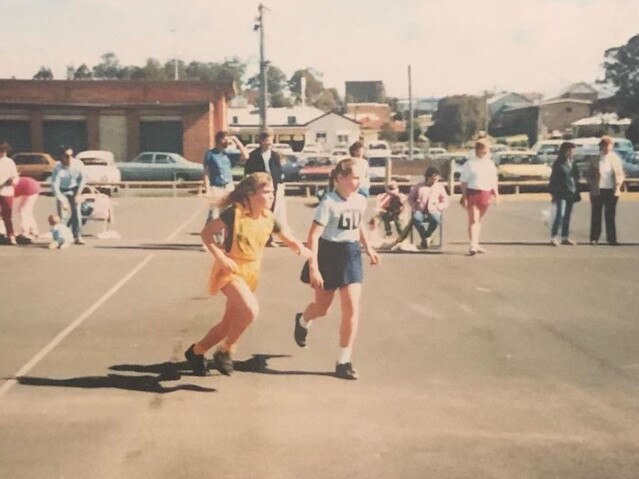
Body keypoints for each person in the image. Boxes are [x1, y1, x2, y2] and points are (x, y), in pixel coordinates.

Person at [185, 172, 311, 377]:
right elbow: (206, 234)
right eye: (267, 192)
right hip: (230, 270)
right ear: (250, 194)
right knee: (251, 310)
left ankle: (196, 351)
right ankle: (225, 351)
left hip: (251, 274)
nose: (272, 196)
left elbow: (289, 239)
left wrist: (304, 251)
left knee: (228, 323)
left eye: (273, 192)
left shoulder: (269, 218)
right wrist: (221, 258)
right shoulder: (234, 213)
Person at [294, 158, 380, 380]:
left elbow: (358, 223)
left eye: (360, 178)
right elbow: (313, 236)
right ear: (340, 179)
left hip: (350, 254)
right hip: (328, 254)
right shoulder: (329, 203)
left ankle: (344, 361)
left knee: (351, 308)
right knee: (322, 309)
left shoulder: (360, 200)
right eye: (354, 178)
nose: (358, 182)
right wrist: (314, 267)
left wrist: (368, 247)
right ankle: (303, 320)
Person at [394, 167, 450, 249]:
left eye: (437, 177)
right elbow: (410, 198)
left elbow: (445, 201)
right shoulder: (419, 186)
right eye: (434, 177)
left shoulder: (440, 187)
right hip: (420, 210)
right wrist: (415, 206)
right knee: (416, 218)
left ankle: (427, 235)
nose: (436, 179)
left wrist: (439, 207)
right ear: (429, 177)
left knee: (436, 219)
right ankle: (424, 237)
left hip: (434, 210)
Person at [460, 139, 499, 255]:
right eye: (485, 149)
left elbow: (493, 180)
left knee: (478, 221)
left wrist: (496, 194)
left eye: (488, 149)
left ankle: (475, 243)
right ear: (478, 149)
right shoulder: (470, 164)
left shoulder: (490, 163)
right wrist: (464, 196)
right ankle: (473, 245)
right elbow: (463, 182)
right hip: (472, 193)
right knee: (474, 220)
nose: (487, 151)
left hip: (485, 194)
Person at [245, 131, 284, 245]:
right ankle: (255, 237)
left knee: (269, 212)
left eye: (271, 141)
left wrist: (279, 180)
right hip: (258, 187)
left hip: (272, 187)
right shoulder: (254, 155)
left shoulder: (275, 155)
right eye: (267, 141)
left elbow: (279, 171)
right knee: (256, 211)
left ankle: (268, 238)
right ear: (261, 141)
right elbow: (248, 171)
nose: (269, 143)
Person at [203, 131, 248, 226]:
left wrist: (236, 140)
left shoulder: (228, 154)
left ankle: (223, 238)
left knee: (226, 214)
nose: (227, 141)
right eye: (224, 138)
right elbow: (206, 172)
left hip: (228, 186)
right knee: (213, 214)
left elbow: (246, 156)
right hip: (216, 187)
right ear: (219, 140)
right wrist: (207, 188)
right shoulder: (210, 154)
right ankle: (208, 233)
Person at [587, 136, 625, 245]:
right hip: (598, 190)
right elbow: (589, 174)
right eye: (605, 146)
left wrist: (619, 182)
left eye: (609, 146)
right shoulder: (595, 158)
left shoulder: (615, 158)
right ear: (601, 146)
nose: (607, 148)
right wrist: (592, 182)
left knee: (610, 216)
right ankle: (594, 238)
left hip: (611, 190)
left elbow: (620, 173)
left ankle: (611, 238)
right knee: (596, 216)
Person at [51, 145, 87, 245]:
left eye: (71, 155)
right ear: (61, 156)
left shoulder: (78, 164)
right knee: (62, 216)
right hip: (61, 190)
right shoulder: (57, 167)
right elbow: (55, 185)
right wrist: (62, 200)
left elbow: (83, 179)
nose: (69, 158)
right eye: (66, 156)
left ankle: (77, 236)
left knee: (77, 213)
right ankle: (61, 237)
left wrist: (79, 193)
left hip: (74, 188)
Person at [548, 142, 579, 246]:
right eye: (570, 150)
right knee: (560, 215)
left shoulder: (573, 163)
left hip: (571, 192)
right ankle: (553, 237)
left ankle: (565, 237)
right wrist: (553, 194)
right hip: (560, 193)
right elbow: (553, 180)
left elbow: (576, 178)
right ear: (564, 151)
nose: (572, 152)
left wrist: (576, 191)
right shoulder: (558, 164)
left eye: (573, 150)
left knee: (567, 215)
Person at [0, 141, 18, 245]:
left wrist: (12, 181)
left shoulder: (9, 162)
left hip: (7, 191)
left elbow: (15, 176)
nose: (2, 153)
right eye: (1, 151)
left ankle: (11, 235)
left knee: (7, 215)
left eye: (4, 151)